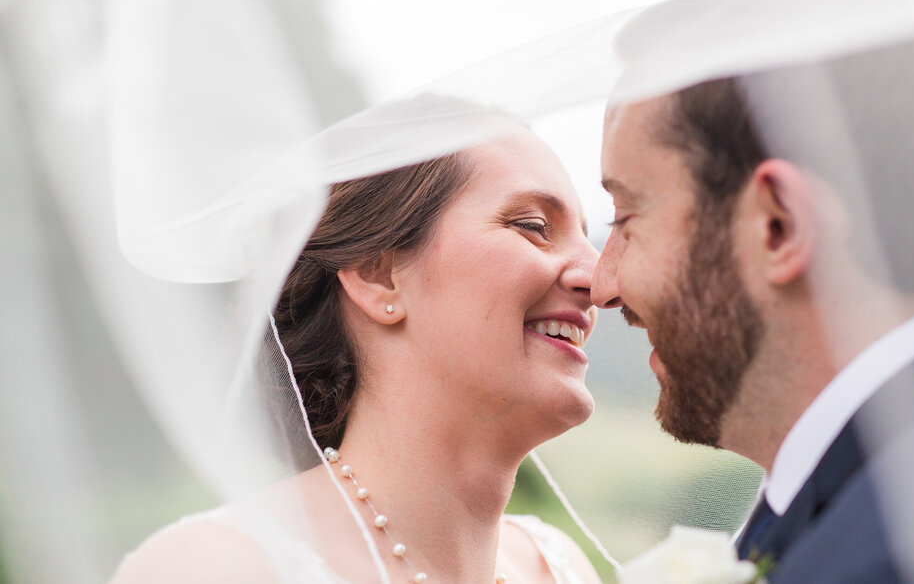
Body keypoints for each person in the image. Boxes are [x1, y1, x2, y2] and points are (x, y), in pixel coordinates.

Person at [592, 0, 914, 581]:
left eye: (626, 217)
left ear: (779, 225)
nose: (601, 284)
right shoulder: (897, 489)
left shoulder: (903, 555)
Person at [112, 128, 604, 583]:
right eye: (534, 225)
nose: (601, 281)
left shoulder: (559, 567)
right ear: (378, 275)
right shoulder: (217, 568)